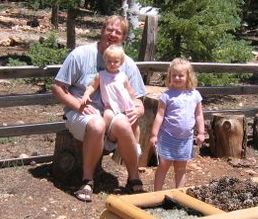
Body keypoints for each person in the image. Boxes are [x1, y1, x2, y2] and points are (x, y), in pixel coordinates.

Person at [52, 15, 146, 202]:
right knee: (97, 124)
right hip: (83, 113)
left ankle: (133, 177)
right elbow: (57, 88)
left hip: (113, 114)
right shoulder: (81, 54)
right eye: (109, 30)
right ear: (102, 31)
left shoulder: (127, 64)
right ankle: (87, 181)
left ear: (123, 37)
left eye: (118, 32)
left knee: (124, 125)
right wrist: (78, 106)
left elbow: (138, 101)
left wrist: (137, 111)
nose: (113, 34)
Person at [150, 58, 205, 191]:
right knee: (163, 165)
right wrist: (154, 135)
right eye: (174, 75)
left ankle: (179, 193)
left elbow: (199, 115)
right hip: (167, 136)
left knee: (181, 168)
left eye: (181, 75)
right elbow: (159, 115)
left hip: (185, 139)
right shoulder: (167, 95)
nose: (177, 78)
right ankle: (157, 193)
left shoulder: (195, 95)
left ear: (188, 76)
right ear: (169, 76)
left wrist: (201, 132)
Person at [80, 44, 141, 154]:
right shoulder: (101, 75)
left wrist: (134, 102)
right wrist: (86, 95)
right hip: (110, 105)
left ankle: (135, 144)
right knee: (107, 116)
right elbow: (92, 86)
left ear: (121, 62)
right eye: (109, 61)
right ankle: (109, 138)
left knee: (134, 122)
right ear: (104, 61)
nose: (112, 64)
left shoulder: (123, 76)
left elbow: (130, 90)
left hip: (125, 104)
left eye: (115, 61)